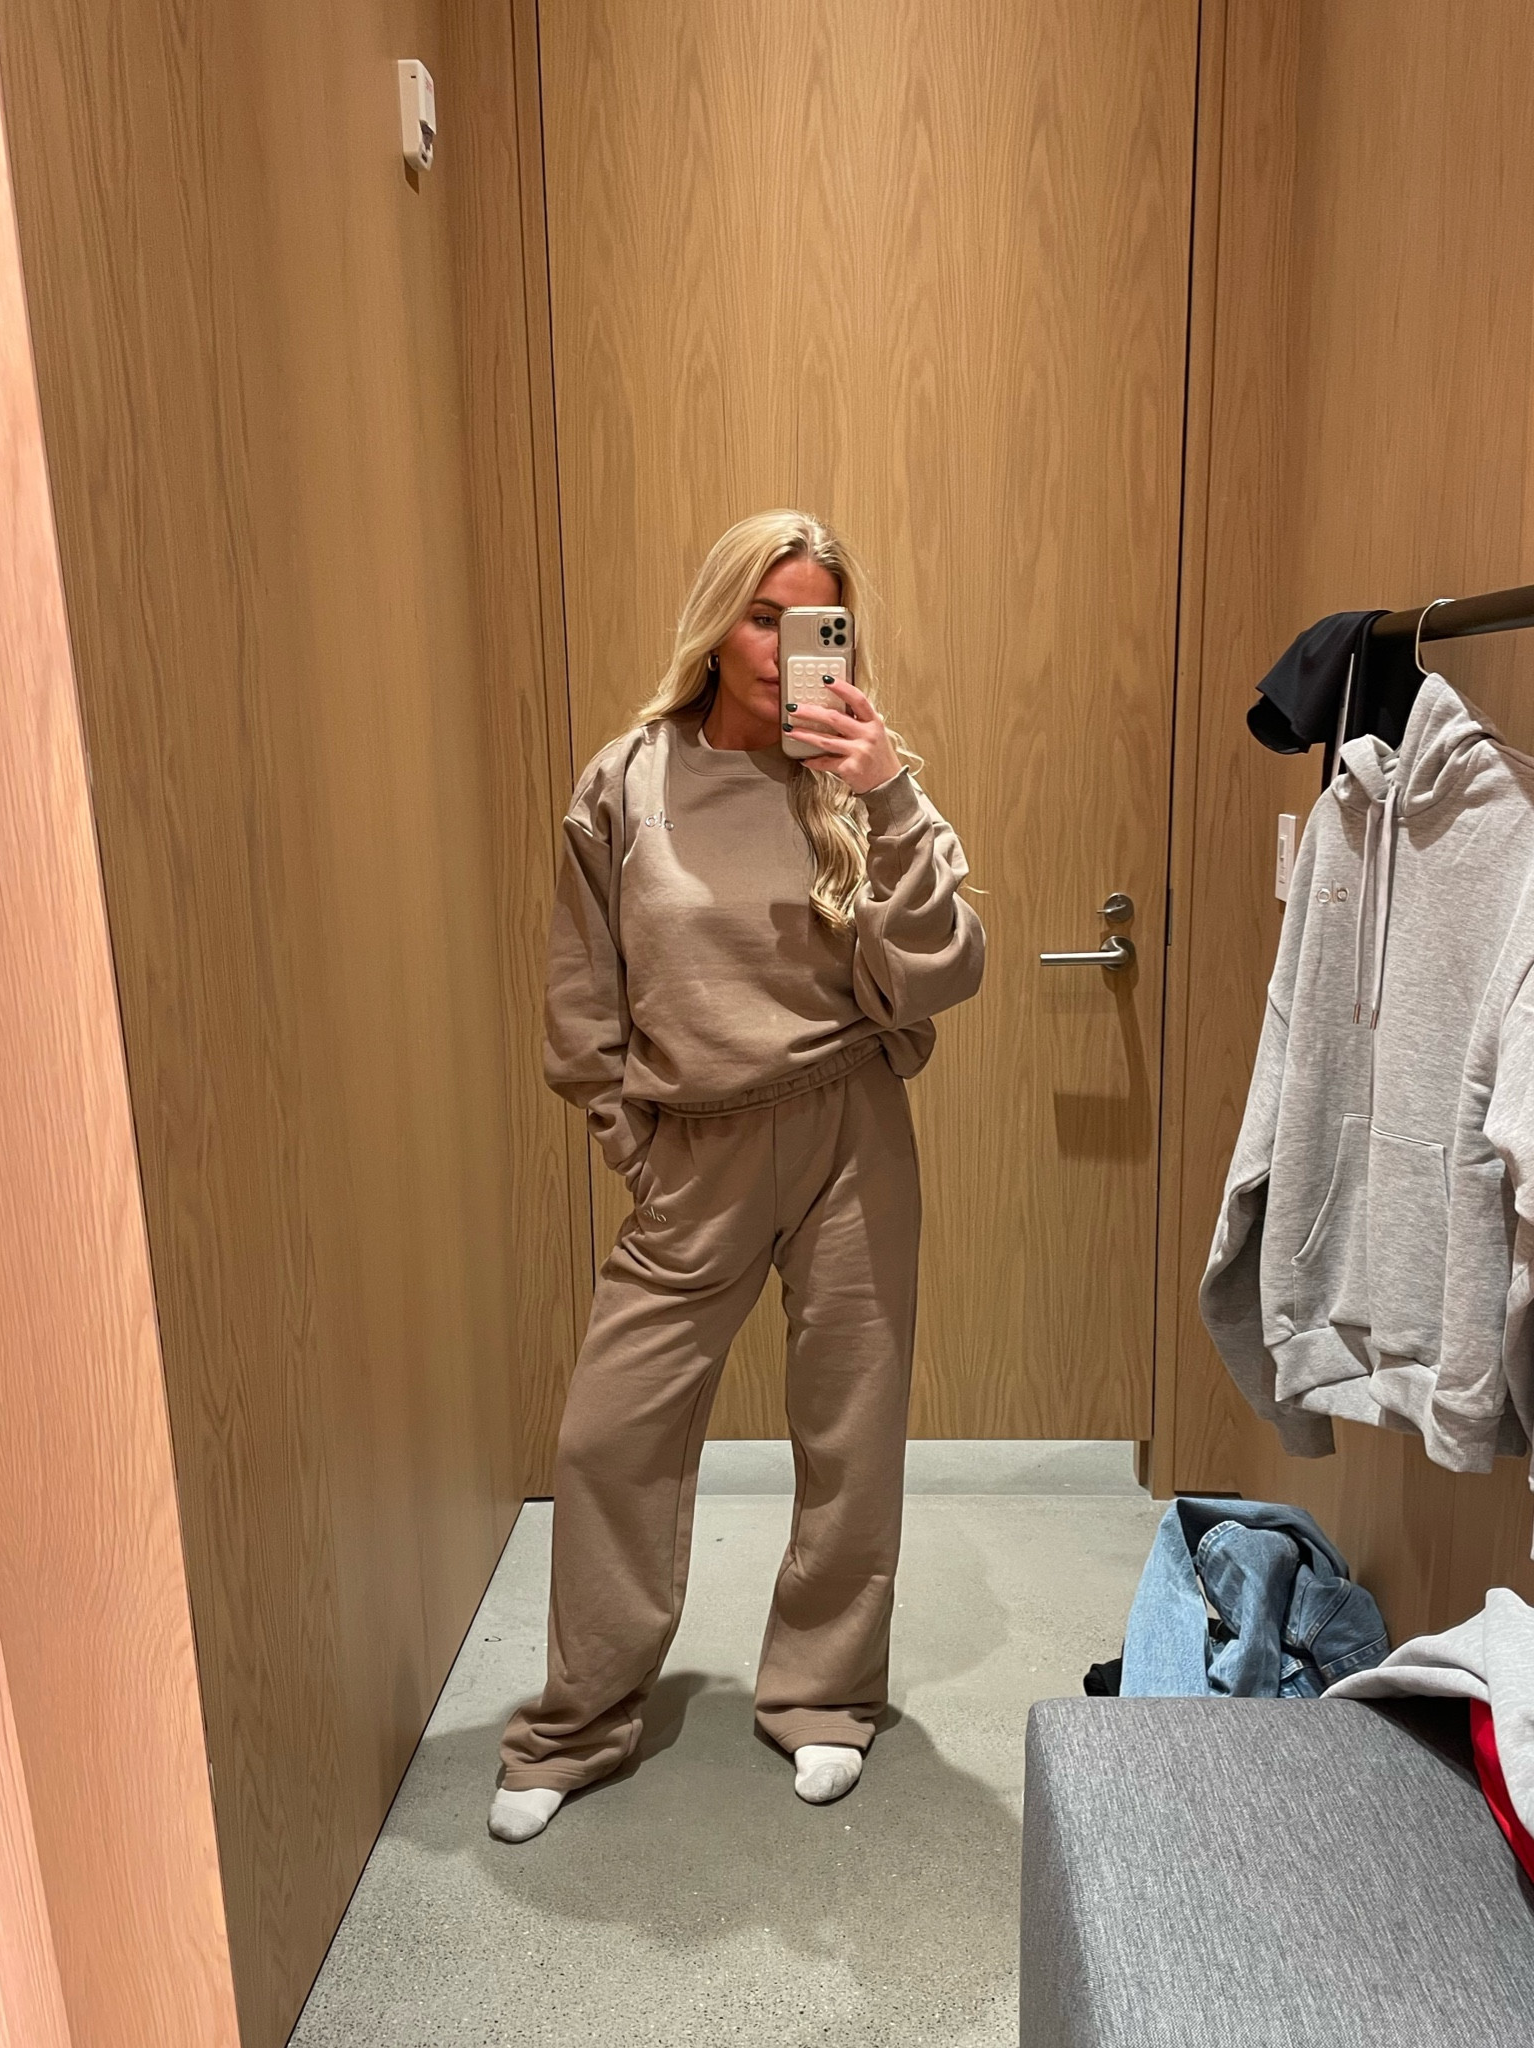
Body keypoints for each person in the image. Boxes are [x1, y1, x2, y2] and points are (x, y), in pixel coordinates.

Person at [490, 509, 985, 1843]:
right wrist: (631, 1145)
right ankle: (579, 1721)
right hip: (692, 1150)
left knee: (850, 1431)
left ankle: (823, 1695)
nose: (783, 648)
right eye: (764, 617)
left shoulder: (863, 778)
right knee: (611, 1436)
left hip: (849, 1132)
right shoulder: (627, 782)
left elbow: (948, 968)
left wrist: (889, 793)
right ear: (718, 624)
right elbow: (583, 994)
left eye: (815, 623)